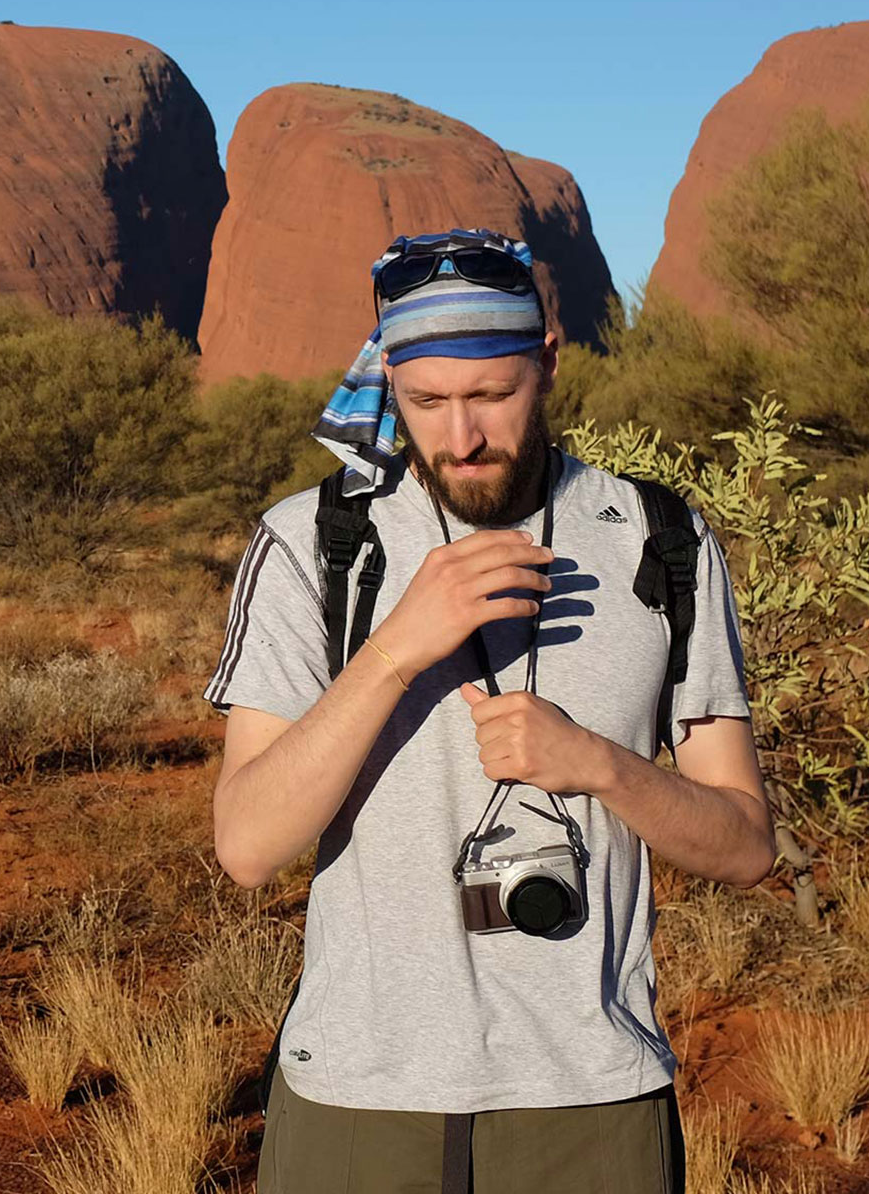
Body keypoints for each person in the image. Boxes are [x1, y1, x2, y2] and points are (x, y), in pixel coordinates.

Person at [204, 228, 773, 1194]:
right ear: (388, 377)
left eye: (492, 397)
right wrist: (394, 649)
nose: (461, 437)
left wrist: (598, 764)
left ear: (549, 361)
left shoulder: (659, 539)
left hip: (593, 1101)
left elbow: (747, 845)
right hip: (358, 1099)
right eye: (426, 403)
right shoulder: (316, 544)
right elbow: (248, 847)